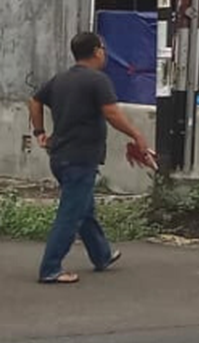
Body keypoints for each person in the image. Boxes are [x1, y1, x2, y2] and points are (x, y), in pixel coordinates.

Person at [28, 31, 152, 284]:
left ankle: (102, 254)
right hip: (80, 157)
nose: (104, 53)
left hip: (60, 156)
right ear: (97, 51)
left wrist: (40, 132)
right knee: (71, 213)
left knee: (83, 208)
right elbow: (112, 113)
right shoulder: (98, 80)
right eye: (103, 49)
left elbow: (34, 100)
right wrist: (137, 134)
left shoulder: (60, 79)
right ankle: (50, 267)